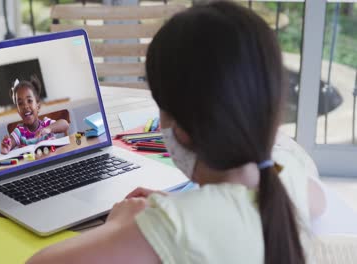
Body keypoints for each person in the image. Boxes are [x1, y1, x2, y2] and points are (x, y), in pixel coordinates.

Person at [27, 2, 325, 263]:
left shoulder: (172, 226)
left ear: (181, 130)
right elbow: (313, 202)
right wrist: (188, 206)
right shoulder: (291, 177)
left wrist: (119, 227)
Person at [1, 75, 69, 154]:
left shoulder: (46, 124)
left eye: (29, 101)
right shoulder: (19, 132)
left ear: (38, 106)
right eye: (20, 103)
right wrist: (6, 148)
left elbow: (65, 124)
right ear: (18, 112)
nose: (25, 106)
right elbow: (11, 142)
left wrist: (49, 129)